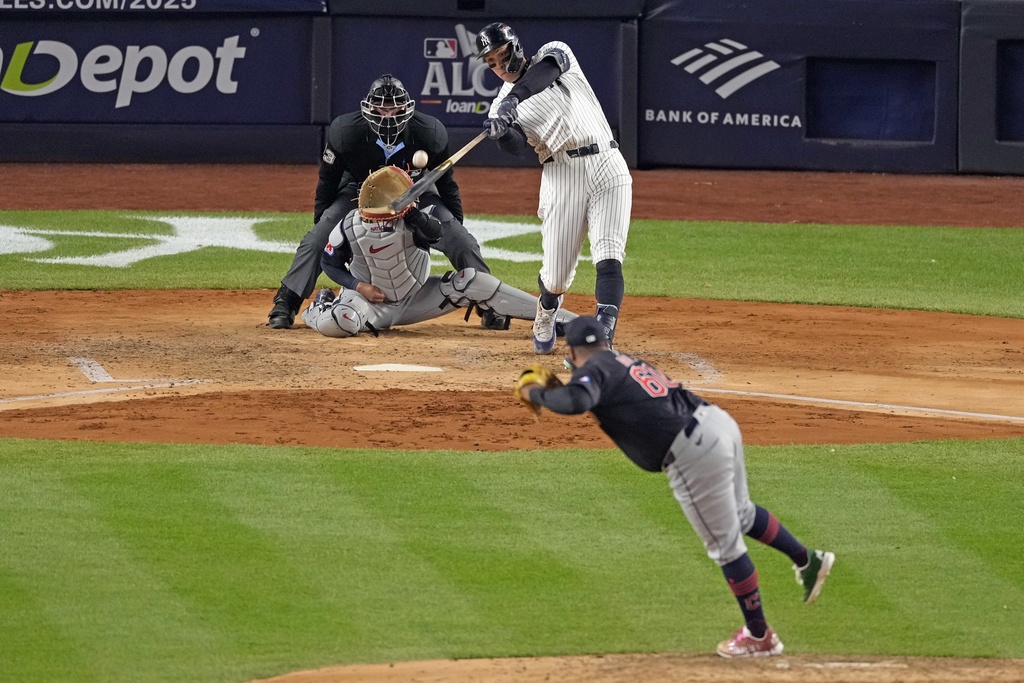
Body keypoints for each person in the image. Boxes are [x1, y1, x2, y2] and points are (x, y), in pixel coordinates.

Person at [514, 317, 836, 658]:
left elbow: (577, 402)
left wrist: (535, 392)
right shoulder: (623, 361)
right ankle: (807, 559)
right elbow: (584, 394)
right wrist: (560, 390)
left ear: (572, 351)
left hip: (693, 452)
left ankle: (759, 635)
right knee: (741, 513)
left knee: (726, 548)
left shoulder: (593, 368)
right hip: (718, 424)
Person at [269, 73, 506, 331]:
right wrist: (324, 224)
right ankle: (287, 301)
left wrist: (453, 227)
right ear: (369, 107)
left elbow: (446, 183)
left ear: (407, 106)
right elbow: (327, 181)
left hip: (414, 193)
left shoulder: (430, 132)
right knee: (316, 239)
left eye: (395, 107)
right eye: (382, 107)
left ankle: (489, 303)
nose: (388, 114)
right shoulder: (345, 131)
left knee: (462, 240)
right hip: (359, 194)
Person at [475, 22, 633, 354]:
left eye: (502, 56)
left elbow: (545, 72)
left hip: (608, 161)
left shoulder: (554, 53)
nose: (500, 67)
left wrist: (512, 101)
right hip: (562, 175)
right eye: (491, 63)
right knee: (557, 277)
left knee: (608, 255)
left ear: (516, 47)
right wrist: (501, 131)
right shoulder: (501, 105)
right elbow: (517, 147)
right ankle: (546, 310)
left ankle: (604, 336)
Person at [302, 166, 578, 338]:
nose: (376, 217)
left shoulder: (418, 219)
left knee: (473, 280)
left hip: (416, 300)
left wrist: (414, 217)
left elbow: (435, 233)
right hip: (368, 305)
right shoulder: (349, 225)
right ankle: (319, 308)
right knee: (343, 322)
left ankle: (559, 318)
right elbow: (330, 263)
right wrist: (357, 285)